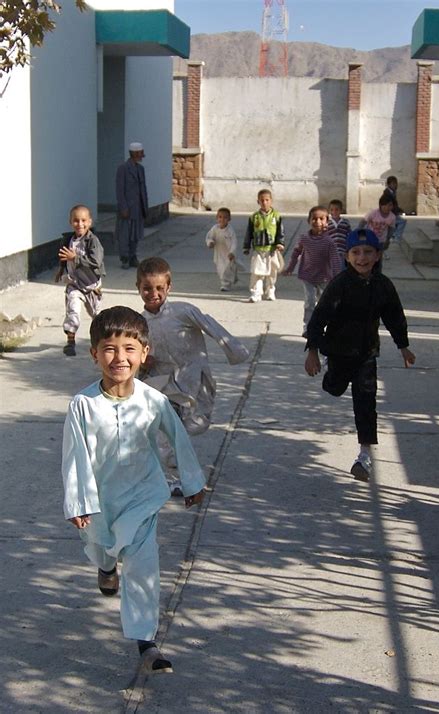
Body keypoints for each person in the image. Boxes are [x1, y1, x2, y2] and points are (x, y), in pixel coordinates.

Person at [62, 306, 206, 672]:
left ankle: (147, 644)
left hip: (143, 495)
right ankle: (107, 566)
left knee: (143, 566)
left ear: (144, 353)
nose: (119, 358)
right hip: (99, 501)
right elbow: (75, 456)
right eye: (109, 349)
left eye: (129, 349)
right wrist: (79, 502)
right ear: (95, 353)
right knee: (102, 547)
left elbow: (177, 437)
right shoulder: (83, 405)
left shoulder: (152, 400)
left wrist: (191, 481)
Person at [304, 228, 416, 482]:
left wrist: (403, 346)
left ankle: (364, 457)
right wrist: (312, 350)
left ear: (377, 255)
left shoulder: (383, 286)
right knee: (333, 387)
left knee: (365, 402)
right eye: (356, 252)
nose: (362, 258)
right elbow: (319, 317)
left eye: (367, 252)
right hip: (338, 352)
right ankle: (330, 371)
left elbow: (395, 317)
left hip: (366, 354)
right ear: (347, 257)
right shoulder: (340, 285)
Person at [136, 257, 249, 492]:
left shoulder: (183, 312)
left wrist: (235, 352)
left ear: (169, 287)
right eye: (147, 288)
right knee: (166, 433)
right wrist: (141, 364)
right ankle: (178, 478)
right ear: (138, 288)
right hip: (162, 386)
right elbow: (134, 351)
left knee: (196, 425)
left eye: (159, 288)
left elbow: (212, 327)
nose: (153, 294)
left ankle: (181, 467)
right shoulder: (139, 324)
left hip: (194, 380)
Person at [282, 205, 340, 338]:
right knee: (309, 303)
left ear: (327, 222)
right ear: (309, 220)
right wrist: (290, 267)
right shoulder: (304, 238)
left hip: (325, 278)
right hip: (307, 276)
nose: (318, 222)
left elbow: (335, 260)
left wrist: (338, 278)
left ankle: (323, 326)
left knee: (325, 303)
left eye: (321, 219)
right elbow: (296, 252)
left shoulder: (329, 242)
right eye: (314, 219)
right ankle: (307, 328)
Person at [55, 204, 105, 357]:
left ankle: (101, 342)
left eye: (83, 220)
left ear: (90, 222)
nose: (80, 224)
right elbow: (65, 257)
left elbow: (96, 261)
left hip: (91, 286)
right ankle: (70, 342)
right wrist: (61, 270)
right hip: (75, 284)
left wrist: (75, 258)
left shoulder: (93, 241)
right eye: (76, 221)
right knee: (73, 310)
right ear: (71, 222)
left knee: (98, 317)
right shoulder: (68, 240)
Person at [243, 188, 285, 302]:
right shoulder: (254, 217)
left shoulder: (276, 216)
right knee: (257, 272)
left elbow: (280, 231)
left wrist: (280, 243)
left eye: (267, 200)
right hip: (259, 249)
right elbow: (249, 232)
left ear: (271, 201)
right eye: (262, 200)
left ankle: (270, 290)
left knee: (272, 272)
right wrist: (246, 246)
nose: (264, 202)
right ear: (258, 202)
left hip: (271, 250)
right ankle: (256, 292)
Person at [115, 142, 149, 270]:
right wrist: (123, 207)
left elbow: (143, 189)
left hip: (138, 208)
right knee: (124, 234)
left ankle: (133, 256)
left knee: (136, 234)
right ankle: (124, 258)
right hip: (127, 208)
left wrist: (145, 207)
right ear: (134, 153)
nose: (142, 156)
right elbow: (119, 190)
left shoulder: (141, 169)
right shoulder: (123, 169)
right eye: (140, 153)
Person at [205, 207, 240, 292]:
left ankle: (225, 285)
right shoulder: (214, 229)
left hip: (228, 253)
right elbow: (209, 237)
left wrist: (232, 252)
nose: (222, 219)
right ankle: (231, 279)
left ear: (229, 219)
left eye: (225, 217)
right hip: (219, 253)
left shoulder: (230, 230)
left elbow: (234, 242)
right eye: (220, 217)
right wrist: (210, 243)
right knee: (221, 269)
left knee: (227, 268)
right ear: (217, 218)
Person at [328, 199, 351, 267]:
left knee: (341, 269)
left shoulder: (345, 222)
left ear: (341, 210)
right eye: (332, 210)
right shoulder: (327, 223)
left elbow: (349, 235)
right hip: (331, 252)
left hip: (342, 251)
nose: (334, 212)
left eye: (336, 210)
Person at [382, 176, 407, 242]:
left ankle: (393, 236)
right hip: (387, 214)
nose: (395, 185)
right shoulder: (387, 194)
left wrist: (400, 211)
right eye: (393, 184)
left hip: (391, 213)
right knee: (402, 221)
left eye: (396, 183)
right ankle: (397, 237)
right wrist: (398, 211)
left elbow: (394, 205)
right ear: (389, 184)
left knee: (397, 221)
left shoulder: (392, 192)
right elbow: (390, 206)